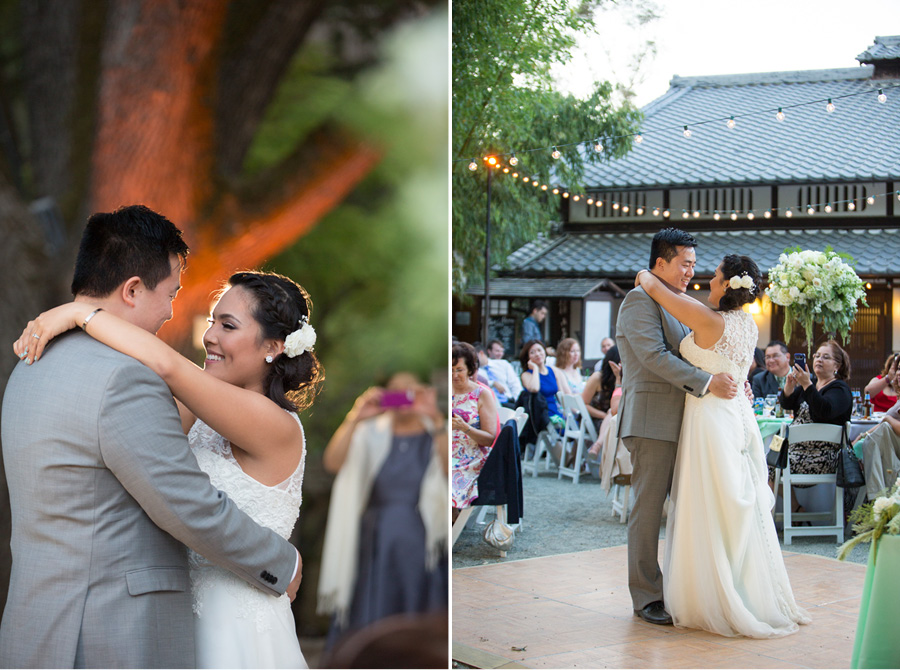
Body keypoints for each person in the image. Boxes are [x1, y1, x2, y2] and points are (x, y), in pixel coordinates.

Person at [2, 206, 306, 668]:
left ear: (274, 346)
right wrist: (281, 563)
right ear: (132, 289)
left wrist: (79, 313)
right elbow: (185, 502)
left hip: (46, 620)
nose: (173, 314)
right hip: (109, 627)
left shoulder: (30, 364)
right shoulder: (126, 380)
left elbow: (169, 373)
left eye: (227, 325)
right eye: (172, 294)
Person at [635, 252, 810, 638]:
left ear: (727, 285)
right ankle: (742, 587)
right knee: (732, 501)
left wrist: (646, 274)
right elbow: (733, 364)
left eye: (714, 276)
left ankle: (712, 594)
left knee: (707, 502)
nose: (706, 280)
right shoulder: (747, 324)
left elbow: (654, 288)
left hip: (710, 416)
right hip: (734, 415)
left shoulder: (707, 318)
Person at [615, 227, 739, 628]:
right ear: (660, 263)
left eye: (693, 265)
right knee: (648, 510)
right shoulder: (639, 300)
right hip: (652, 420)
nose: (691, 272)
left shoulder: (675, 303)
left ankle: (686, 589)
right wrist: (706, 383)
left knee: (688, 509)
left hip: (686, 420)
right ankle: (646, 596)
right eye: (685, 264)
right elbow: (652, 356)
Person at [318, 373, 448, 649]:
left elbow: (452, 476)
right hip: (375, 537)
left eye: (409, 391)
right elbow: (332, 462)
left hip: (420, 537)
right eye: (395, 392)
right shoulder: (371, 431)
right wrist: (355, 417)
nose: (402, 397)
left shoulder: (435, 430)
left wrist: (436, 420)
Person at [773, 341, 854, 506]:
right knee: (762, 460)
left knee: (766, 466)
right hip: (794, 454)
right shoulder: (809, 386)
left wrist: (806, 384)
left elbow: (824, 410)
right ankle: (795, 510)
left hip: (823, 458)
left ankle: (792, 512)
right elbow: (787, 404)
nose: (819, 360)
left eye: (826, 357)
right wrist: (789, 386)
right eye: (817, 356)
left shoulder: (840, 389)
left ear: (836, 365)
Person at [451, 342, 499, 511]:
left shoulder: (481, 394)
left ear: (470, 370)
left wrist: (464, 427)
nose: (454, 375)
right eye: (450, 370)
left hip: (471, 457)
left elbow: (489, 439)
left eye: (459, 370)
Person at [519, 339, 571, 425]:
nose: (537, 354)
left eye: (539, 350)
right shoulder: (526, 375)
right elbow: (534, 388)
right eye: (532, 352)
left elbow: (562, 395)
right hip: (540, 416)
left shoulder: (553, 370)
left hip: (556, 412)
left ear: (544, 351)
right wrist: (535, 368)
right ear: (528, 357)